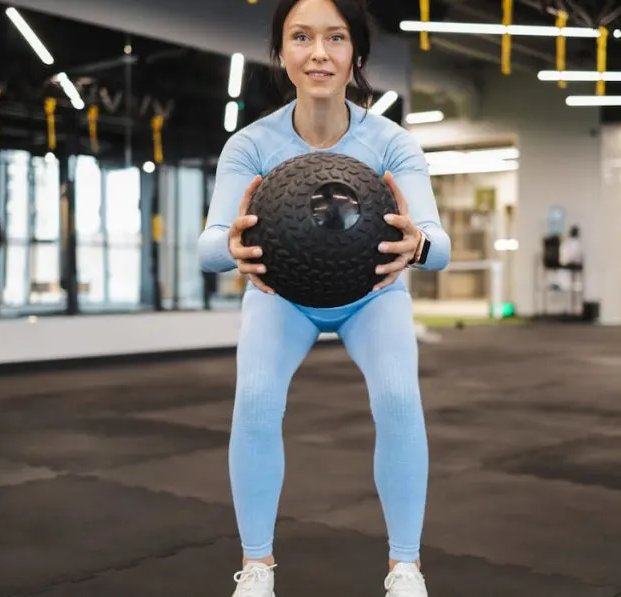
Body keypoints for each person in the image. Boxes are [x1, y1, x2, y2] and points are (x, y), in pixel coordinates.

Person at [197, 0, 451, 594]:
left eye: (335, 38)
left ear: (355, 55)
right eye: (302, 37)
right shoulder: (251, 146)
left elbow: (438, 246)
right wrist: (231, 244)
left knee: (397, 398)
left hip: (372, 294)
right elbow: (209, 247)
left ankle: (405, 567)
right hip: (281, 294)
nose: (319, 53)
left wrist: (416, 244)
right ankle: (257, 567)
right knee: (256, 399)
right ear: (282, 53)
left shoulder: (391, 143)